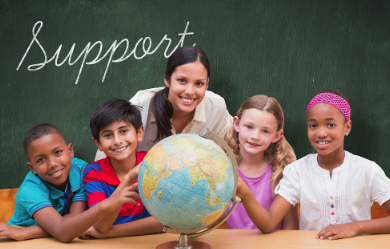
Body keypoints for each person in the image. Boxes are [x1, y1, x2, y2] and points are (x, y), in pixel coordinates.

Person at [237, 89, 390, 239]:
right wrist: (245, 193)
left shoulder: (367, 170)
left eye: (330, 125)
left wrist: (356, 226)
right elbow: (269, 222)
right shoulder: (297, 171)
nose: (321, 133)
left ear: (347, 127)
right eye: (313, 125)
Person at [0, 123, 139, 242]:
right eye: (40, 160)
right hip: (20, 241)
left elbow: (76, 218)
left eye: (58, 152)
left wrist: (31, 232)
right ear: (32, 168)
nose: (53, 164)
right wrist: (25, 232)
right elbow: (62, 232)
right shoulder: (29, 189)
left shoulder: (82, 171)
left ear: (70, 151)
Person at [95, 46, 232, 160]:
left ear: (207, 84)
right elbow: (106, 157)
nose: (190, 91)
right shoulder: (139, 108)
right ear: (167, 79)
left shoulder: (216, 107)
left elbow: (231, 152)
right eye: (182, 80)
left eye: (199, 83)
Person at [80, 98, 163, 239]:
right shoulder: (94, 173)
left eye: (123, 131)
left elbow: (162, 222)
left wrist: (108, 234)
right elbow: (101, 225)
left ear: (139, 133)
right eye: (107, 135)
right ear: (98, 143)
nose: (117, 141)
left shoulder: (154, 162)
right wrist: (128, 178)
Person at [223, 95, 299, 230]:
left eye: (265, 131)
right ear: (236, 124)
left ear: (277, 135)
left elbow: (290, 226)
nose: (255, 137)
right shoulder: (221, 166)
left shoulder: (282, 169)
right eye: (249, 127)